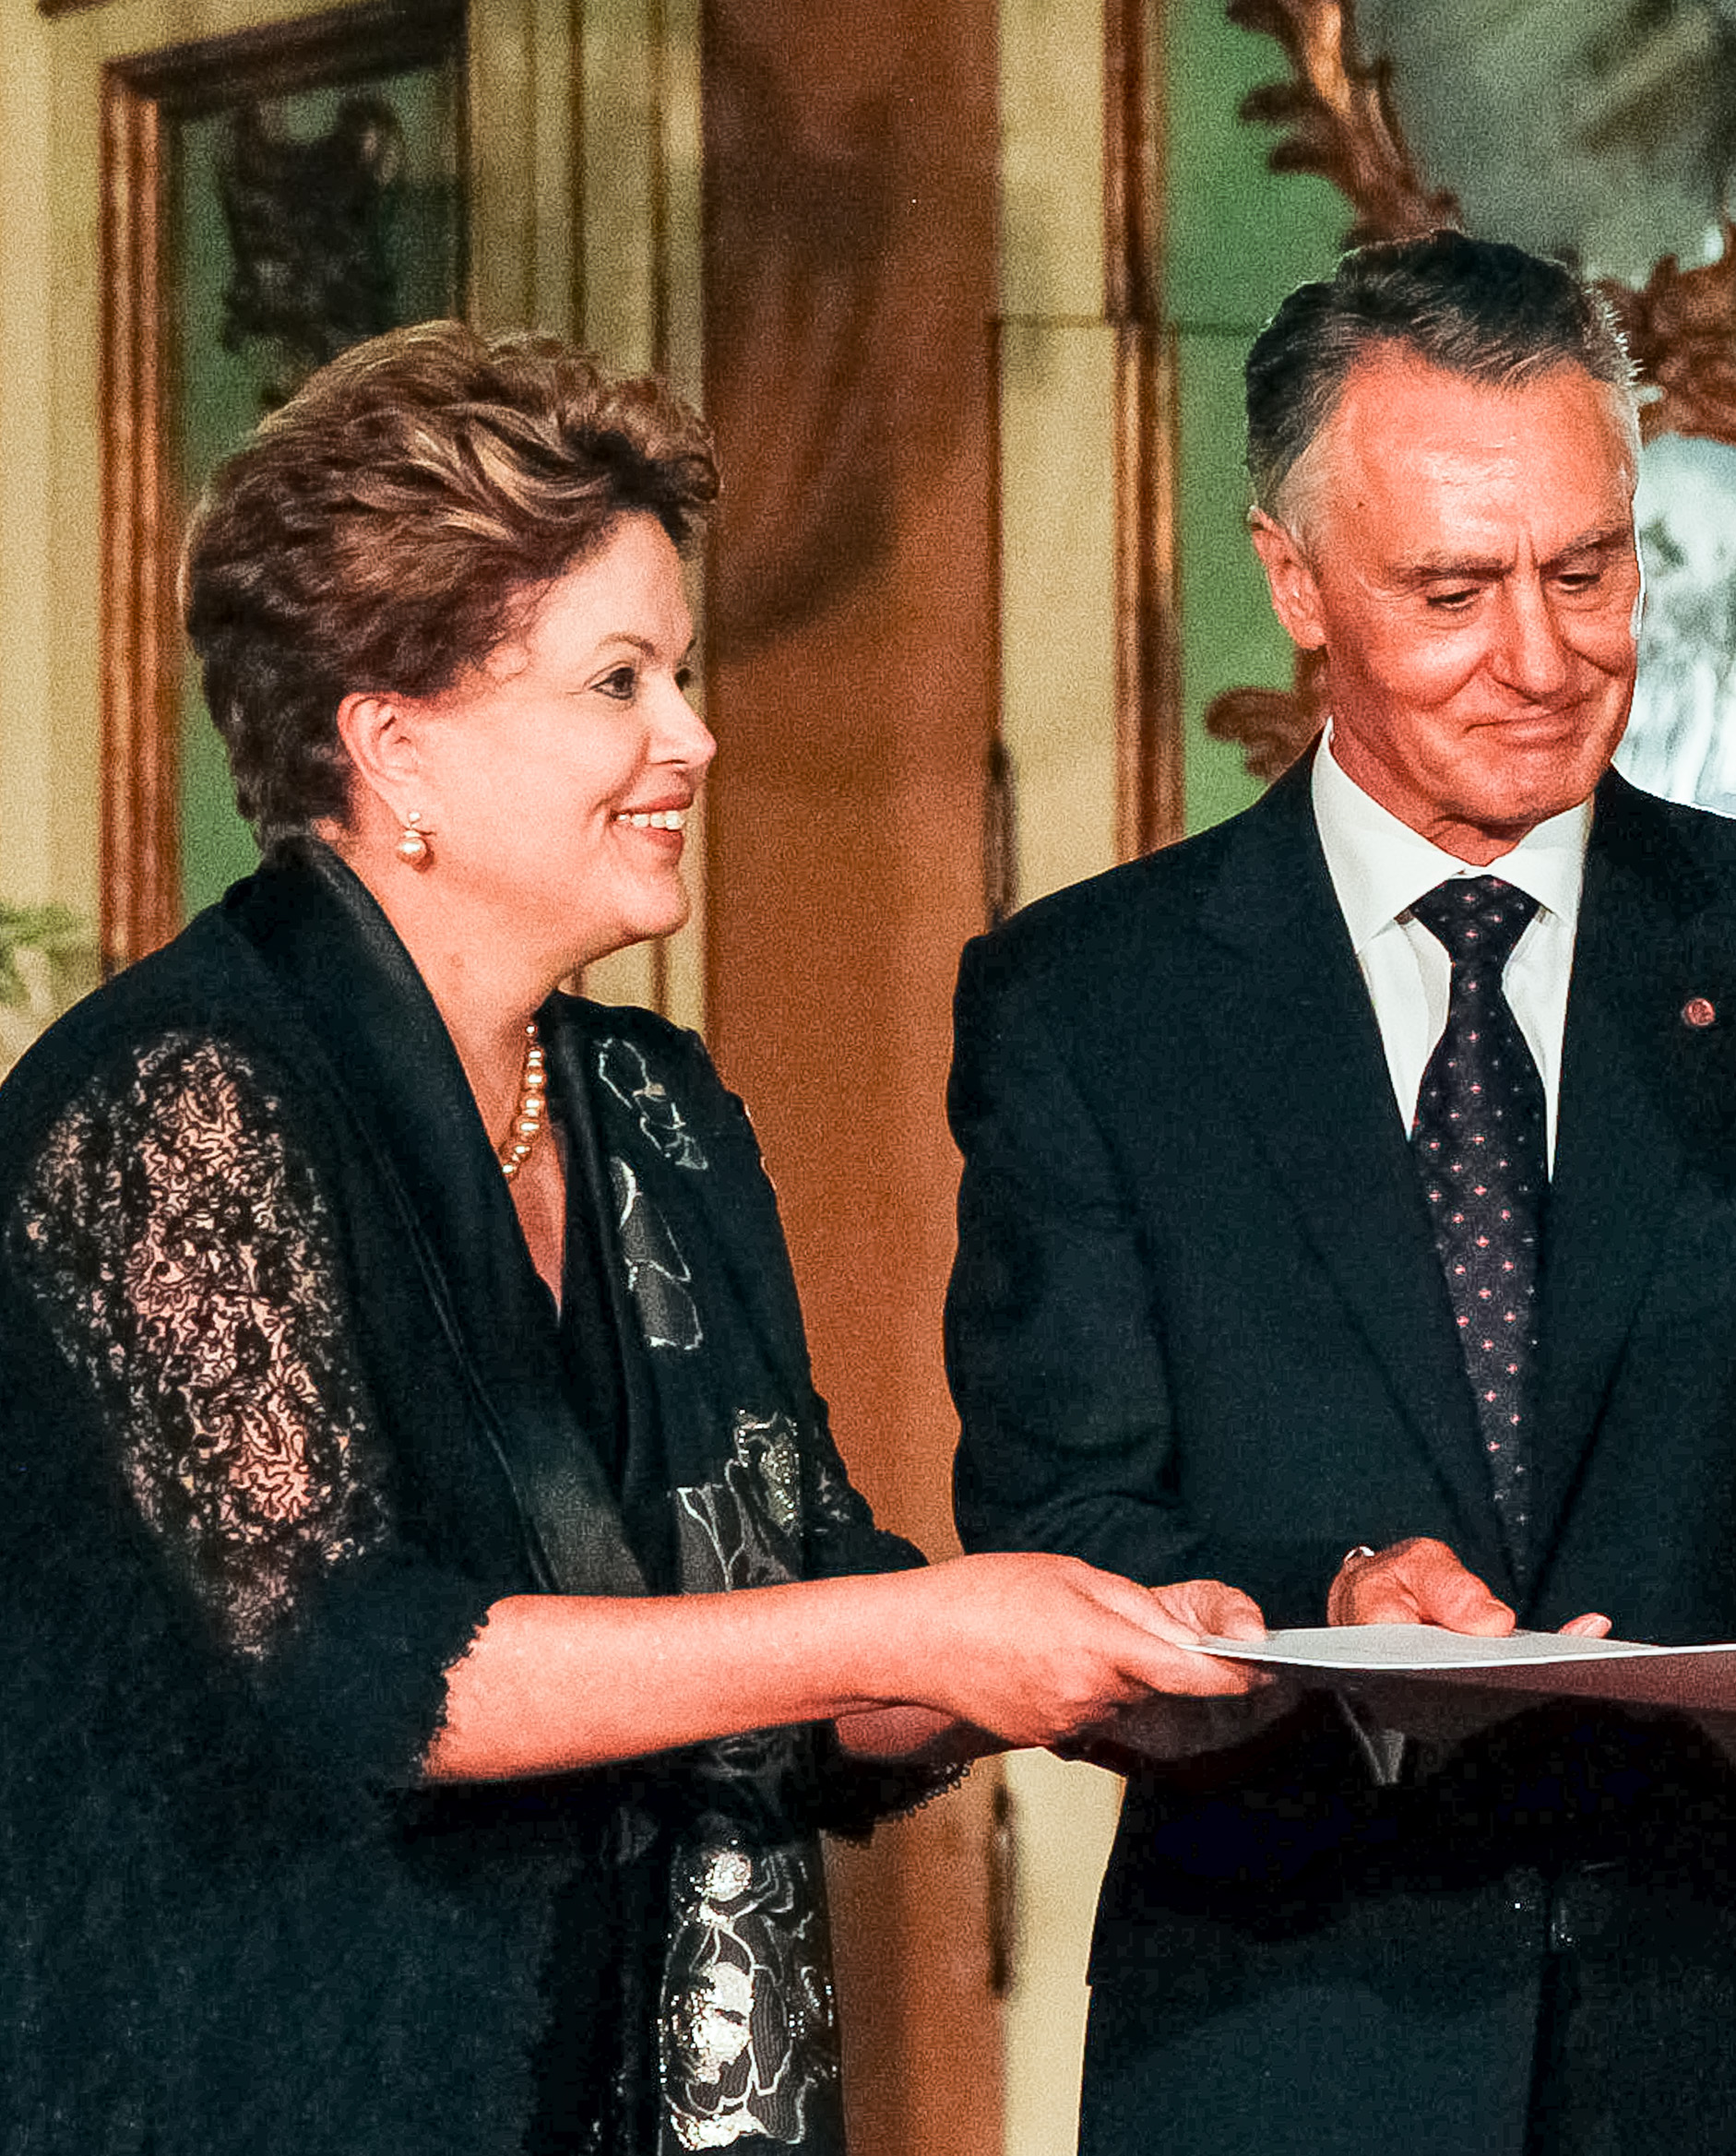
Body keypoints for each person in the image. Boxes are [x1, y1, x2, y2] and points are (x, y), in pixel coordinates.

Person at [0, 322, 1267, 2156]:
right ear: (392, 742)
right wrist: (913, 1620)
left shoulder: (652, 1108)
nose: (695, 734)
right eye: (617, 681)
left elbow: (811, 1627)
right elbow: (368, 1668)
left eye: (681, 670)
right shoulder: (174, 1095)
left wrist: (1106, 1646)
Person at [945, 230, 1736, 2156]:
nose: (1544, 658)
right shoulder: (1090, 1002)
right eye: (1452, 590)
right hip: (1290, 2047)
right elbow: (1058, 1504)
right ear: (1292, 582)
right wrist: (1324, 1604)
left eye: (1589, 569)